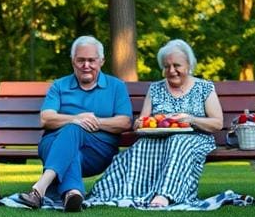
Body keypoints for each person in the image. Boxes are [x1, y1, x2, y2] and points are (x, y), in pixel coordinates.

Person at [87, 39, 224, 208]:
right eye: (166, 66)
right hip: (159, 138)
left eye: (176, 65)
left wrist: (192, 120)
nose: (171, 71)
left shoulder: (204, 88)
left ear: (189, 65)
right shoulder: (155, 88)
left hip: (196, 138)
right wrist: (138, 124)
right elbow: (143, 121)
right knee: (141, 145)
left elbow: (217, 123)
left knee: (178, 141)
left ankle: (165, 194)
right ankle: (114, 192)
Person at [16, 35, 133, 212]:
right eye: (81, 60)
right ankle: (72, 194)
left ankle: (39, 189)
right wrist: (76, 119)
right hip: (53, 144)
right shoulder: (59, 85)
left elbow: (125, 122)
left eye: (91, 60)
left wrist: (94, 122)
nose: (86, 65)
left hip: (99, 151)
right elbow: (45, 118)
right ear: (73, 61)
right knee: (73, 140)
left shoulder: (116, 86)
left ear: (101, 61)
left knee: (74, 129)